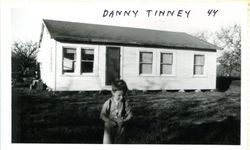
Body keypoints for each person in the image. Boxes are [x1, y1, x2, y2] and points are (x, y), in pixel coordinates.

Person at [100, 79, 132, 144]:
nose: (122, 97)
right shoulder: (108, 103)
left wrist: (124, 120)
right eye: (119, 95)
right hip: (109, 125)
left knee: (120, 142)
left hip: (121, 125)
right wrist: (109, 121)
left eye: (123, 95)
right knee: (107, 142)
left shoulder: (125, 103)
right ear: (113, 92)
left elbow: (130, 114)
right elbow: (102, 115)